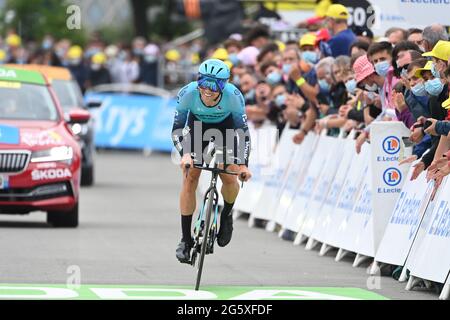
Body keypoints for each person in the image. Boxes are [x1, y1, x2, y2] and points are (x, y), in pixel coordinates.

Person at [171, 59, 252, 264]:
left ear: (223, 86)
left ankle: (226, 214)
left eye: (215, 84)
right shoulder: (188, 93)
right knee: (190, 178)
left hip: (225, 130)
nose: (207, 89)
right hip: (197, 129)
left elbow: (243, 133)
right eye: (204, 82)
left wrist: (243, 164)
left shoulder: (233, 96)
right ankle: (185, 239)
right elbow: (177, 129)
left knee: (230, 177)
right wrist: (185, 153)